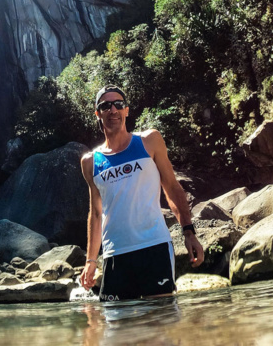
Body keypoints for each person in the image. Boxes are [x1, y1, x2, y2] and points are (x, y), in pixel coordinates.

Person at [80, 85, 203, 301]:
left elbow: (172, 187)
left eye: (118, 104)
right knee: (116, 322)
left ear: (126, 110)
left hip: (154, 246)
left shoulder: (149, 141)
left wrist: (189, 232)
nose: (113, 110)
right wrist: (91, 261)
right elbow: (96, 213)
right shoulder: (90, 162)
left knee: (161, 318)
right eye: (106, 106)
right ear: (98, 113)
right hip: (115, 253)